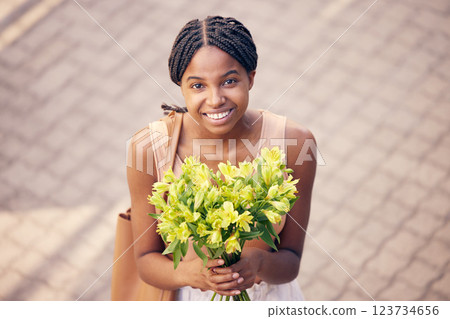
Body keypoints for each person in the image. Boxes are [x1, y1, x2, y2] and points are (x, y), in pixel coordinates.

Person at [126, 15, 317, 301]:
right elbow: (145, 260)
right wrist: (189, 274)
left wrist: (259, 265)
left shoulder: (295, 144)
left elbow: (291, 261)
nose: (215, 99)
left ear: (250, 78)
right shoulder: (148, 148)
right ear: (180, 85)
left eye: (229, 81)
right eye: (198, 85)